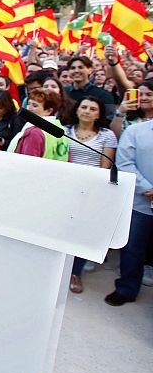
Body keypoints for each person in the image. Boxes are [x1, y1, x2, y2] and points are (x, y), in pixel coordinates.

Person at [64, 97, 117, 293]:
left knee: (82, 233)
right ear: (77, 110)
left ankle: (75, 272)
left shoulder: (107, 135)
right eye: (83, 106)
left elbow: (106, 167)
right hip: (66, 187)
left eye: (92, 108)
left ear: (99, 114)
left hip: (91, 191)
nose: (87, 111)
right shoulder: (65, 130)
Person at [107, 118, 153, 306]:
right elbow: (125, 163)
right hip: (141, 202)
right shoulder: (135, 131)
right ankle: (126, 289)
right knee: (133, 248)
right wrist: (148, 189)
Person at [8, 89, 69, 160]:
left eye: (34, 105)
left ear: (49, 111)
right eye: (28, 104)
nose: (28, 108)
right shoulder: (62, 129)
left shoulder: (34, 133)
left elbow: (28, 163)